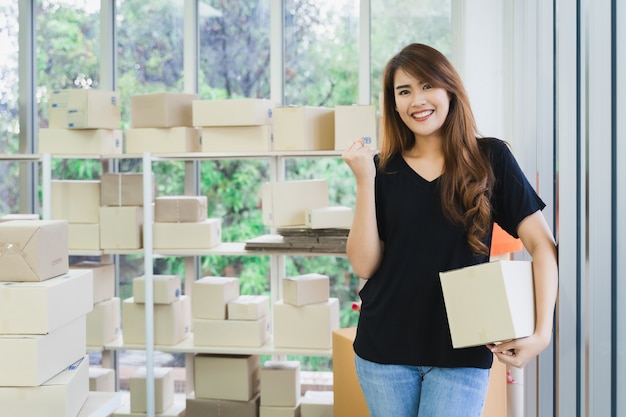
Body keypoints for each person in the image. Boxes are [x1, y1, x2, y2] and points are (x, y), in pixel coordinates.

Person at [341, 43, 558, 417]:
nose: (417, 100)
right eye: (403, 91)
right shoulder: (382, 169)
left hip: (463, 351)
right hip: (384, 349)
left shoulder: (490, 158)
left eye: (427, 86)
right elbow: (364, 266)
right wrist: (364, 180)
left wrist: (542, 332)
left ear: (449, 89)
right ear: (393, 104)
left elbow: (542, 245)